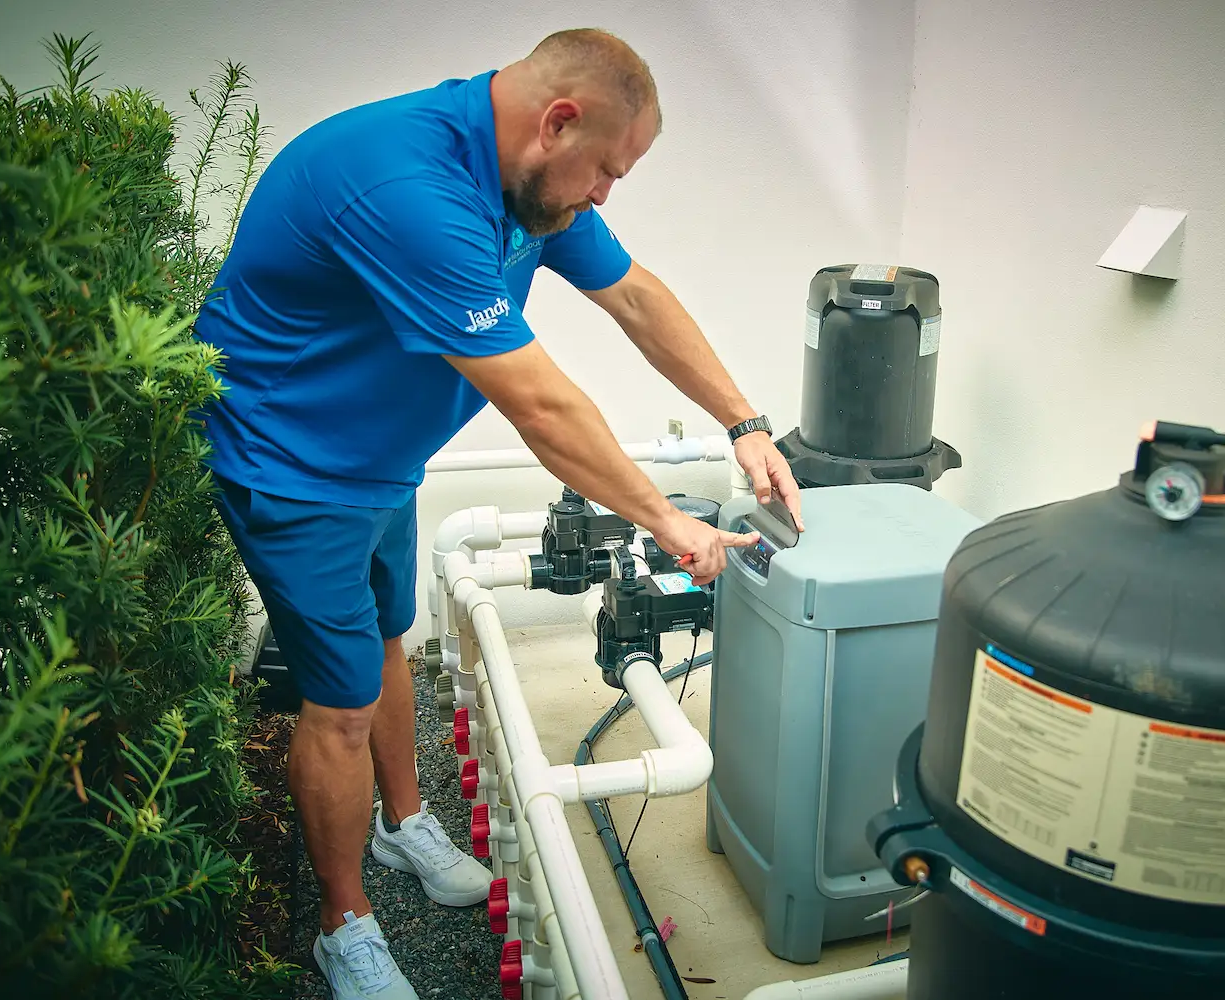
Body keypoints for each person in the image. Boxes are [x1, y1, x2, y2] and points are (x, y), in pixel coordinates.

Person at [193, 26, 802, 1000]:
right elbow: (542, 405)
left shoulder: (527, 180)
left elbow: (637, 296)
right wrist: (667, 520)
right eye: (605, 170)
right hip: (295, 469)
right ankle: (342, 923)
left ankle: (402, 821)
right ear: (557, 122)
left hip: (381, 460)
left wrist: (745, 421)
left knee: (391, 636)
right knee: (340, 701)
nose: (605, 195)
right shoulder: (408, 190)